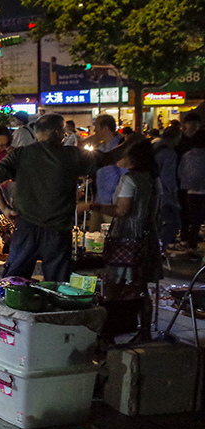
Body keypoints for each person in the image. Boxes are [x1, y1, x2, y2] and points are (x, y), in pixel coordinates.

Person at [0, 113, 137, 282]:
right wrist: (131, 141)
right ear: (57, 133)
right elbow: (110, 157)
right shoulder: (71, 155)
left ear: (37, 133)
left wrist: (5, 208)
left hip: (26, 228)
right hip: (57, 231)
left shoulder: (21, 154)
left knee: (13, 282)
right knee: (57, 285)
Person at [79, 139, 161, 341]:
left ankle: (111, 332)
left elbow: (122, 210)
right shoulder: (153, 179)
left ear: (132, 158)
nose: (118, 158)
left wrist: (92, 206)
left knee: (115, 286)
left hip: (127, 237)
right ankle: (145, 332)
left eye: (122, 154)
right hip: (148, 236)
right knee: (141, 287)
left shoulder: (130, 179)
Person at [88, 114, 127, 231]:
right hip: (99, 201)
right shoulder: (101, 148)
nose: (95, 131)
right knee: (92, 238)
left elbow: (125, 176)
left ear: (105, 129)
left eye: (97, 127)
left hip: (112, 205)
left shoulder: (119, 148)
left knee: (111, 238)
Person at [153, 125, 182, 250]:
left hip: (152, 191)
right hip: (164, 195)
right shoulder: (169, 153)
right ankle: (158, 249)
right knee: (173, 223)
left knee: (157, 224)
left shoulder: (154, 147)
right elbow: (168, 178)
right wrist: (175, 195)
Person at [178, 128, 205, 255]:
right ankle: (192, 245)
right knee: (197, 220)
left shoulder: (187, 156)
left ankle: (190, 244)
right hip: (202, 190)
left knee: (194, 220)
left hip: (190, 191)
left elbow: (180, 172)